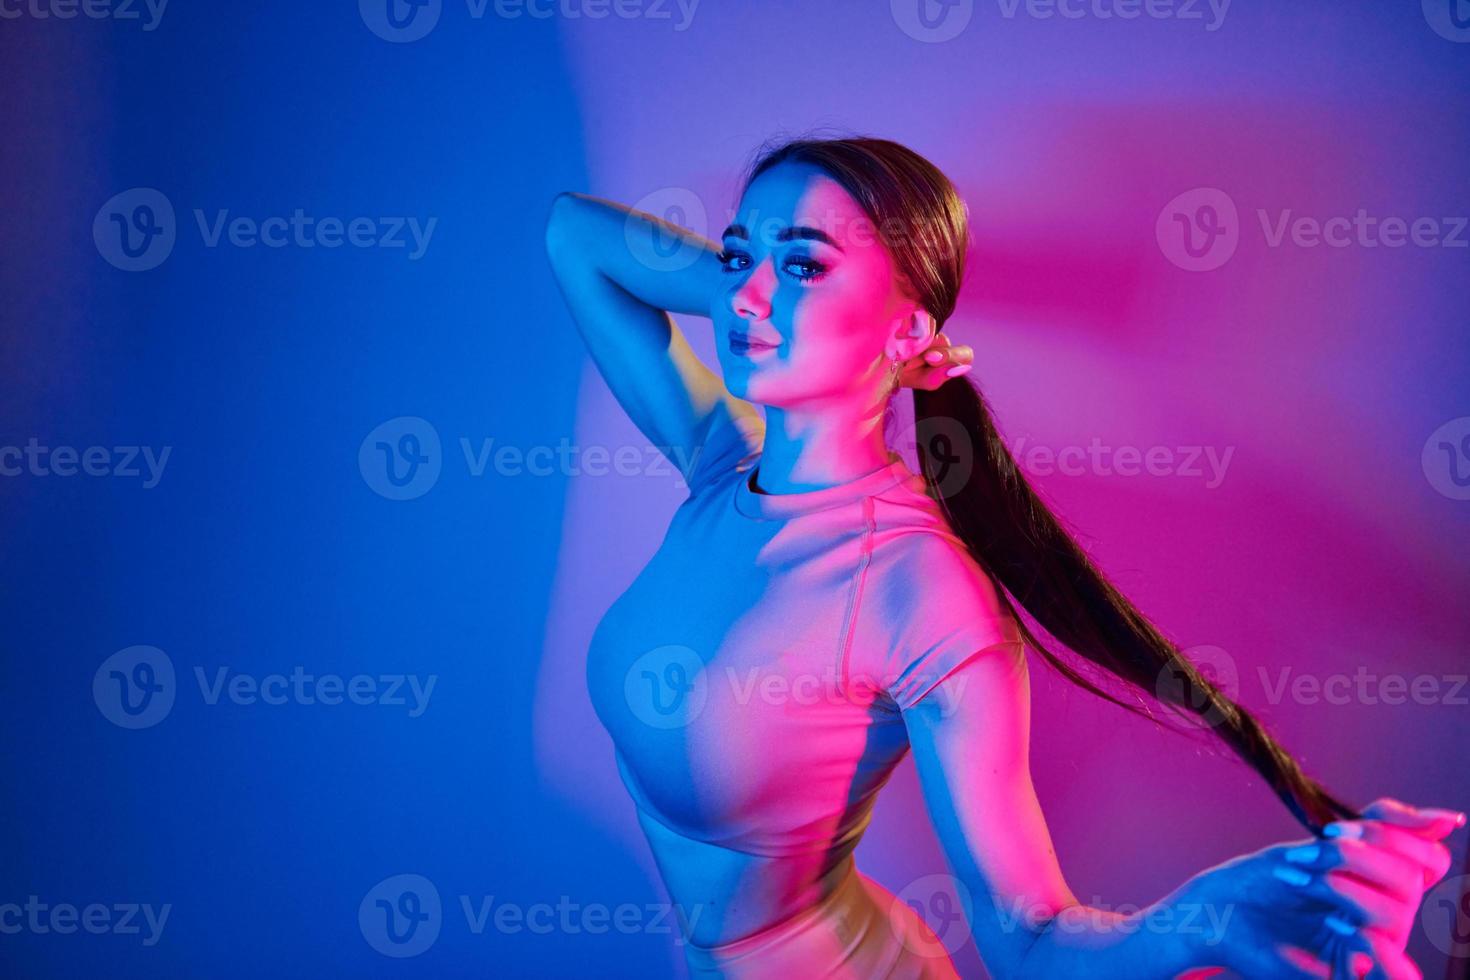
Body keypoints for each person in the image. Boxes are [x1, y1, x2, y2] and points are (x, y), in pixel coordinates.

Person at [543, 135, 1463, 979]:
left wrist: (1202, 924)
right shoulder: (722, 463)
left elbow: (1028, 938)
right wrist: (752, 285)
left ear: (910, 334)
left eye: (805, 266)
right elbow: (574, 236)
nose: (746, 293)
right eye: (741, 252)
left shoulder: (921, 591)